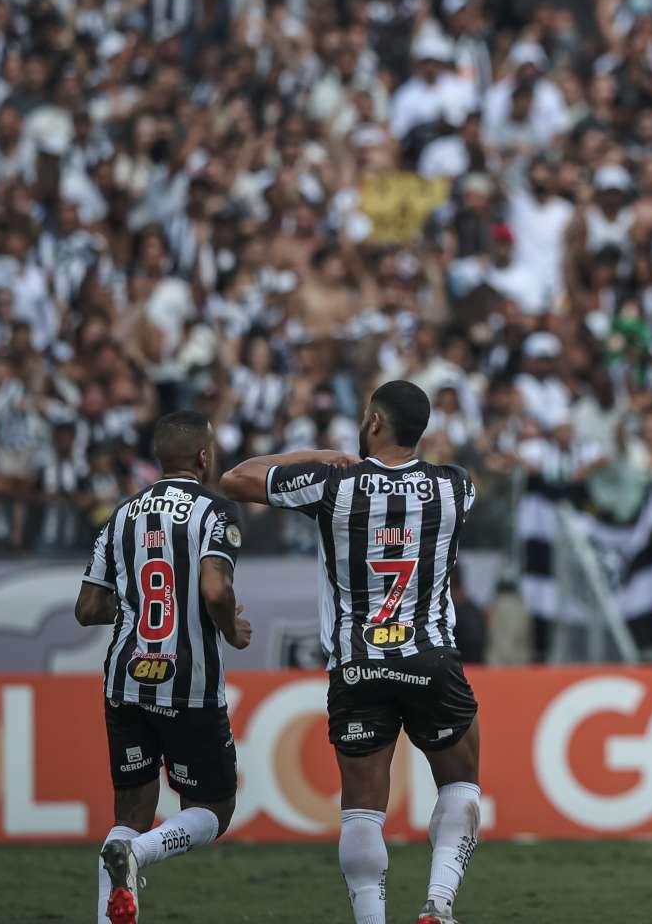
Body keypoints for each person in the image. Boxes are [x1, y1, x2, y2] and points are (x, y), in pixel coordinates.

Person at [221, 381, 481, 924]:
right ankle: (439, 903)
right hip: (430, 658)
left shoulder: (333, 484)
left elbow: (235, 478)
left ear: (375, 423)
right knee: (459, 784)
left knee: (362, 809)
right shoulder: (456, 486)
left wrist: (317, 455)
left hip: (358, 664)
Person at [74, 410, 252, 924]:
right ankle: (140, 853)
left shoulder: (122, 515)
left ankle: (121, 868)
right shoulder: (214, 511)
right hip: (187, 684)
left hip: (125, 679)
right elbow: (215, 588)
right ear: (204, 456)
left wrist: (133, 605)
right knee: (214, 809)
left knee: (130, 811)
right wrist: (230, 628)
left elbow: (88, 608)